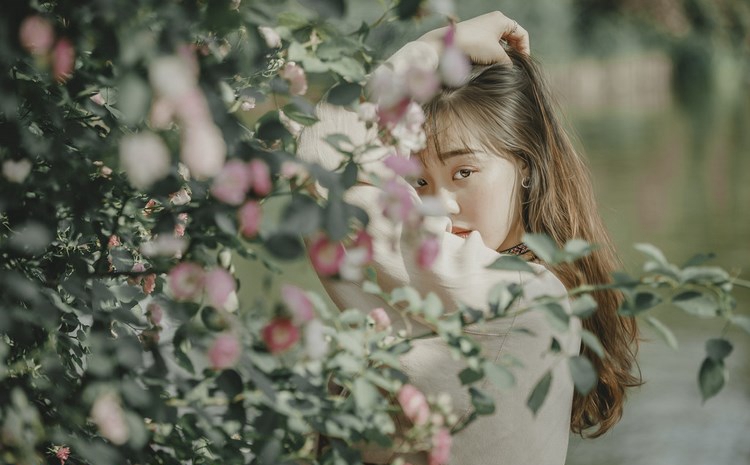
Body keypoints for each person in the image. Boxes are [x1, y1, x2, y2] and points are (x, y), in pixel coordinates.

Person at [297, 11, 640, 465]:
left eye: (464, 172)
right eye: (418, 183)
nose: (440, 205)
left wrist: (436, 48)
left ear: (526, 168)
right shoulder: (528, 290)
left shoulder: (515, 296)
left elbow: (322, 168)